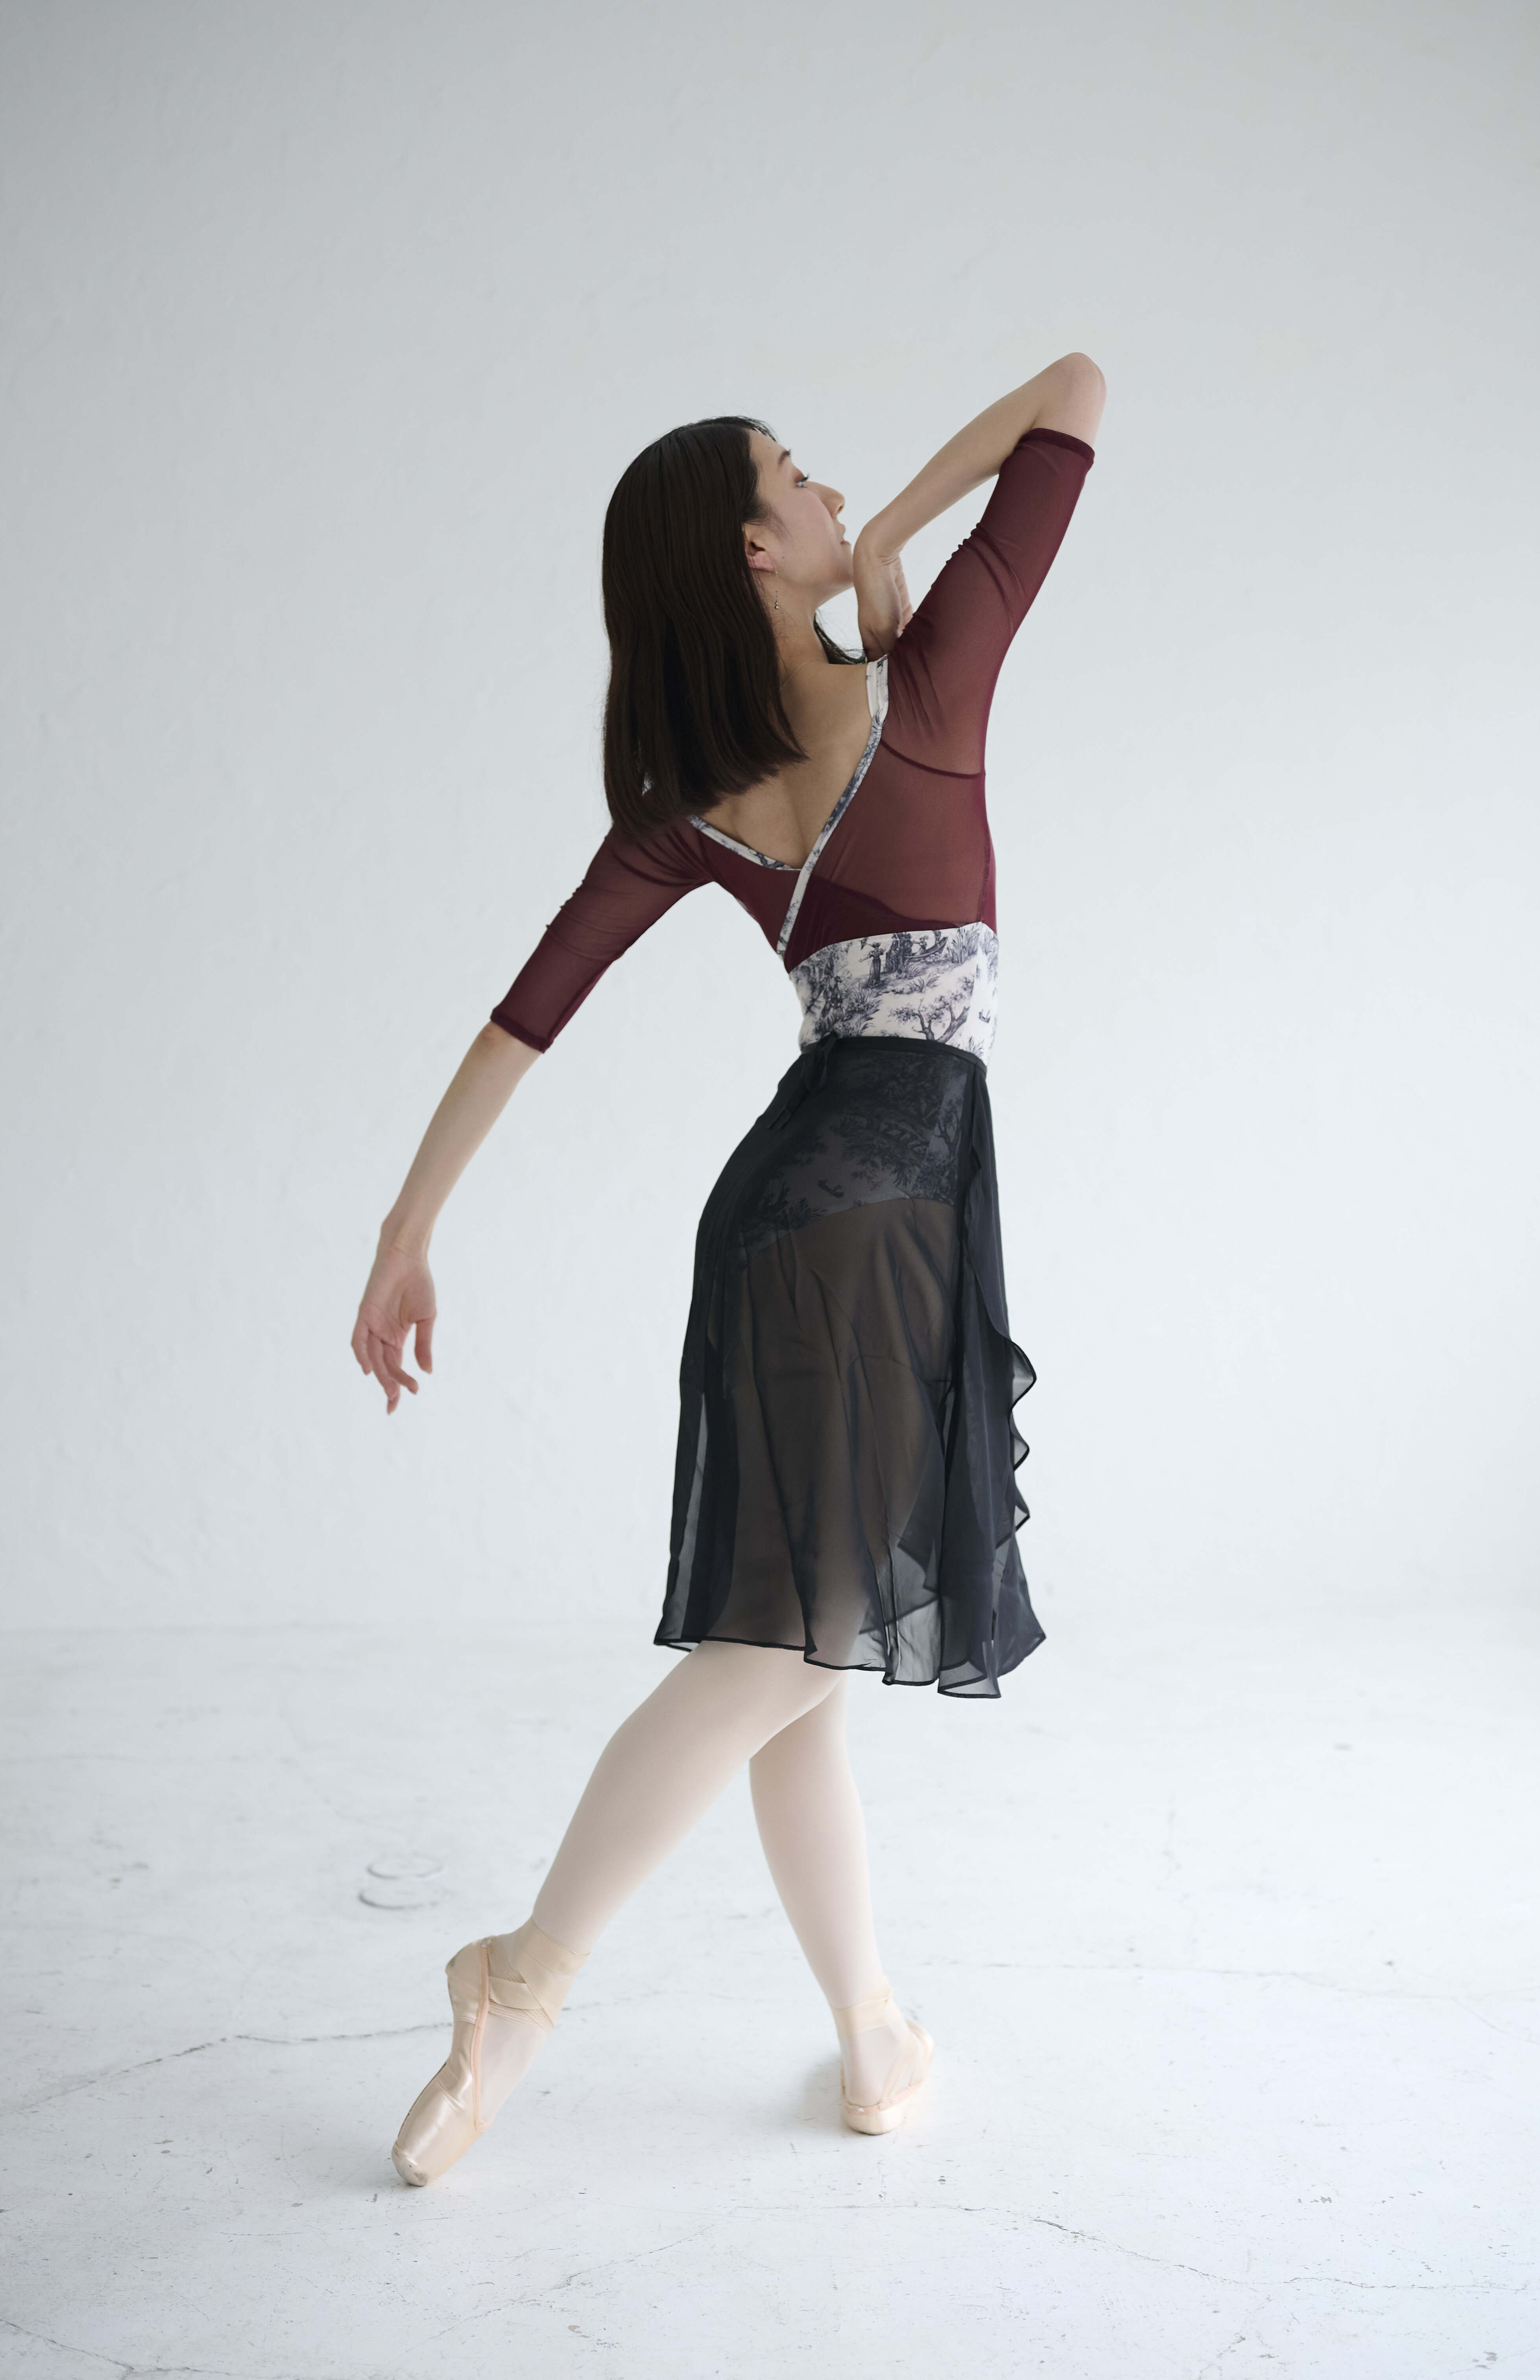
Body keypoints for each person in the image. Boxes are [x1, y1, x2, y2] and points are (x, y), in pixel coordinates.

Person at [351, 355, 1106, 2185]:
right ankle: (522, 1980)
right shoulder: (931, 680)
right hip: (877, 1214)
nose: (836, 490)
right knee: (774, 1649)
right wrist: (904, 543)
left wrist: (406, 1232)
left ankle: (871, 2030)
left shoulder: (700, 799)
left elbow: (526, 1015)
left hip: (785, 1213)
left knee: (801, 1664)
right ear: (758, 550)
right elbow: (1077, 392)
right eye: (804, 479)